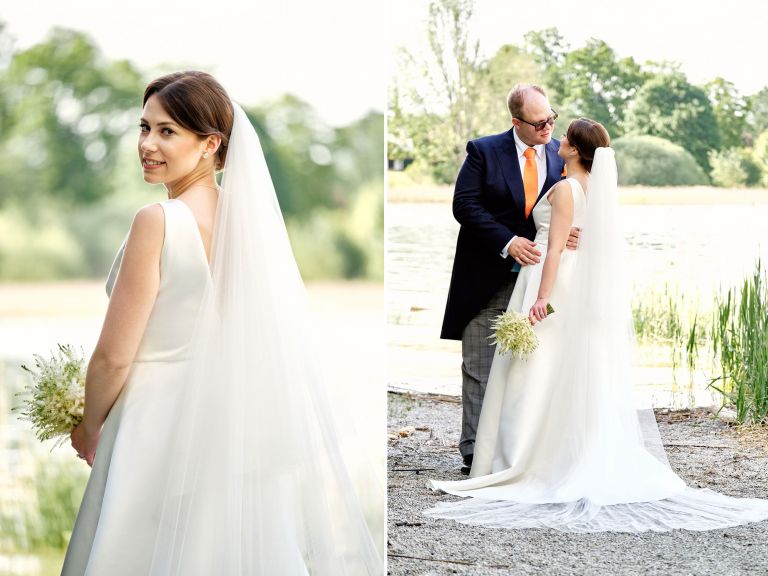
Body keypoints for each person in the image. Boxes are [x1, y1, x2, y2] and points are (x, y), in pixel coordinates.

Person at [64, 71, 382, 574]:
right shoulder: (248, 225)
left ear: (211, 144)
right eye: (143, 128)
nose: (147, 144)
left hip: (154, 424)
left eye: (167, 131)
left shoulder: (158, 221)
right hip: (231, 422)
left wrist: (89, 424)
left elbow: (113, 356)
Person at [426, 118, 768, 532]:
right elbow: (580, 234)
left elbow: (554, 249)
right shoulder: (590, 185)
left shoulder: (567, 186)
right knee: (553, 371)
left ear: (575, 149)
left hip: (549, 282)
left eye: (565, 136)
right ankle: (537, 451)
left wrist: (541, 300)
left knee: (531, 372)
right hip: (568, 282)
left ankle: (522, 458)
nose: (559, 139)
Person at [441, 84, 575, 474]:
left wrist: (572, 231)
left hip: (538, 280)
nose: (548, 127)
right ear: (516, 122)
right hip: (486, 273)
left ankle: (514, 448)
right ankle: (474, 452)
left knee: (530, 364)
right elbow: (464, 205)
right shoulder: (483, 151)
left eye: (552, 118)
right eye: (538, 123)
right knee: (480, 364)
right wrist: (507, 241)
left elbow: (568, 205)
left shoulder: (560, 153)